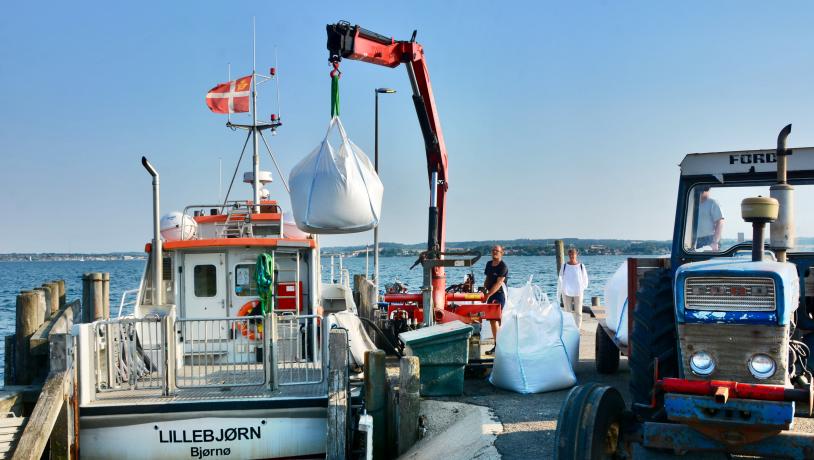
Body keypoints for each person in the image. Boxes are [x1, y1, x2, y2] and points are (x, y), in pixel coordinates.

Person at [483, 245, 508, 355]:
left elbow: (498, 283)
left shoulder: (503, 266)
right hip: (490, 294)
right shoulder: (489, 264)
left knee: (495, 319)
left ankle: (499, 347)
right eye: (493, 250)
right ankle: (498, 345)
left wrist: (488, 294)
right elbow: (487, 278)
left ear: (501, 253)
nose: (494, 252)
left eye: (497, 251)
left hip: (499, 294)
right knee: (493, 321)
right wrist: (484, 290)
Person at [559, 248, 589, 329]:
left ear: (576, 255)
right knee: (567, 311)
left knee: (578, 312)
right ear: (568, 255)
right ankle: (569, 328)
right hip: (566, 291)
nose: (572, 256)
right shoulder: (564, 266)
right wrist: (562, 289)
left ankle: (577, 329)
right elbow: (560, 278)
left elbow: (585, 278)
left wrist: (582, 288)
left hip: (578, 291)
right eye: (570, 254)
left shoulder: (581, 266)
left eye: (573, 254)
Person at [695, 186, 724, 251]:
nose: (700, 192)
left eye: (702, 190)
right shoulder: (693, 204)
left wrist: (715, 242)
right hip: (695, 240)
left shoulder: (713, 203)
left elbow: (720, 222)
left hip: (710, 239)